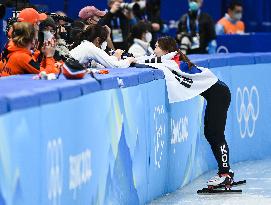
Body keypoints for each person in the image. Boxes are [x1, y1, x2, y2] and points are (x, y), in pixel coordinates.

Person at [136, 36, 234, 187]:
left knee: (215, 134)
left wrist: (128, 60)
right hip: (217, 94)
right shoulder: (172, 59)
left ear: (166, 50)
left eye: (156, 47)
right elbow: (151, 60)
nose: (154, 50)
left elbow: (149, 62)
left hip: (219, 95)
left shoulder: (173, 61)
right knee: (211, 133)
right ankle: (226, 171)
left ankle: (225, 173)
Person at [68, 24, 135, 69]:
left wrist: (115, 56)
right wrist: (129, 60)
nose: (103, 45)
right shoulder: (90, 48)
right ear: (97, 40)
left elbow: (105, 61)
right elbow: (115, 66)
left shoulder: (85, 44)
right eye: (103, 41)